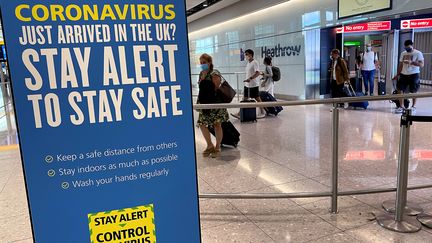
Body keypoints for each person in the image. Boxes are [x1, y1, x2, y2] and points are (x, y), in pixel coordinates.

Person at [197, 54, 229, 158]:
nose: (202, 65)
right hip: (205, 103)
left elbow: (216, 86)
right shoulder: (201, 73)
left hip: (215, 103)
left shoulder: (214, 73)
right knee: (201, 123)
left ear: (209, 62)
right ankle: (209, 145)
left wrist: (206, 82)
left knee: (217, 124)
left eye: (204, 62)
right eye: (201, 63)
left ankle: (217, 146)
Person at [392, 40, 424, 114]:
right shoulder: (403, 53)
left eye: (408, 47)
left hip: (414, 74)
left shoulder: (418, 53)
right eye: (405, 47)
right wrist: (397, 74)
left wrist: (411, 62)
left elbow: (422, 64)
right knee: (400, 90)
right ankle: (401, 106)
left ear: (412, 45)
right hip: (404, 74)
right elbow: (400, 65)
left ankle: (413, 106)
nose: (407, 48)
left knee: (414, 91)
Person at [243, 49, 265, 117]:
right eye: (245, 54)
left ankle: (263, 111)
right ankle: (239, 113)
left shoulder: (255, 62)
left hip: (253, 84)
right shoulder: (248, 63)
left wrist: (250, 78)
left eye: (246, 54)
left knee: (257, 98)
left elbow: (258, 73)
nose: (245, 56)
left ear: (250, 55)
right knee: (244, 99)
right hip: (247, 85)